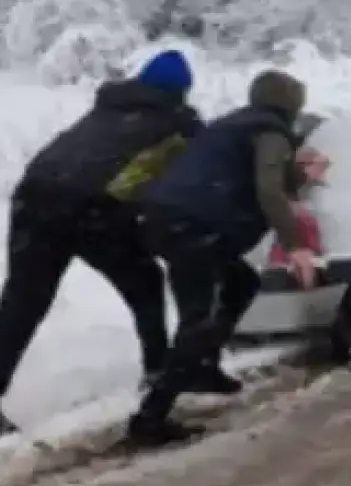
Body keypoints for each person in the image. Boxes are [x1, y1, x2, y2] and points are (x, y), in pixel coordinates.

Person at [0, 50, 201, 437]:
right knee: (146, 284)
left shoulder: (109, 106)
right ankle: (158, 374)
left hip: (34, 194)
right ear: (181, 92)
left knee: (24, 300)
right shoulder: (177, 122)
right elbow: (188, 178)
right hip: (91, 207)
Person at [128, 68, 320, 447]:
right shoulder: (271, 132)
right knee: (196, 319)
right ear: (291, 105)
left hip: (166, 219)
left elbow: (244, 175)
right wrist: (296, 245)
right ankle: (150, 418)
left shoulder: (233, 125)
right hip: (192, 226)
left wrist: (297, 176)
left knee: (240, 282)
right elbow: (268, 189)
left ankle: (203, 365)